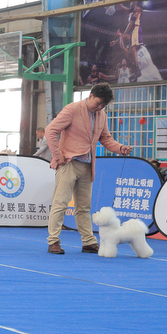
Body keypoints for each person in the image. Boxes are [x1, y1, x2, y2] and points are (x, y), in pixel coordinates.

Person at [45, 82, 132, 255]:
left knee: (84, 206)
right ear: (91, 96)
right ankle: (53, 241)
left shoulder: (102, 115)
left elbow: (105, 139)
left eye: (103, 105)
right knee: (60, 203)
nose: (99, 107)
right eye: (98, 103)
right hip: (68, 163)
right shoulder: (72, 109)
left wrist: (120, 148)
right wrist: (57, 155)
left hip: (87, 165)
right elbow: (50, 130)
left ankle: (88, 242)